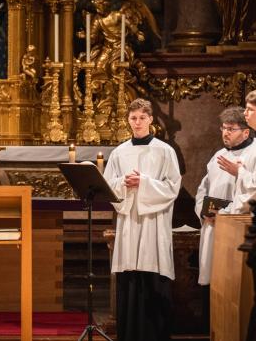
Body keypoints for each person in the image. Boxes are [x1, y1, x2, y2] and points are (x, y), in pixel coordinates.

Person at [103, 98, 180, 341]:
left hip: (153, 222)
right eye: (133, 118)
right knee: (130, 277)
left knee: (151, 274)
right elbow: (108, 185)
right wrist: (122, 183)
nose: (137, 122)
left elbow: (172, 186)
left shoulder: (164, 150)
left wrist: (144, 182)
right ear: (128, 120)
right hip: (129, 222)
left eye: (142, 118)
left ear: (150, 120)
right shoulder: (119, 152)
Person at [194, 106, 254, 286]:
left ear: (245, 132)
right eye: (223, 128)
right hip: (211, 225)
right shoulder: (218, 156)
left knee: (230, 283)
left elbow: (253, 191)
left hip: (234, 227)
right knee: (210, 282)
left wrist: (226, 215)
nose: (225, 133)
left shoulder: (252, 156)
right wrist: (203, 212)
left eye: (231, 129)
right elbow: (202, 190)